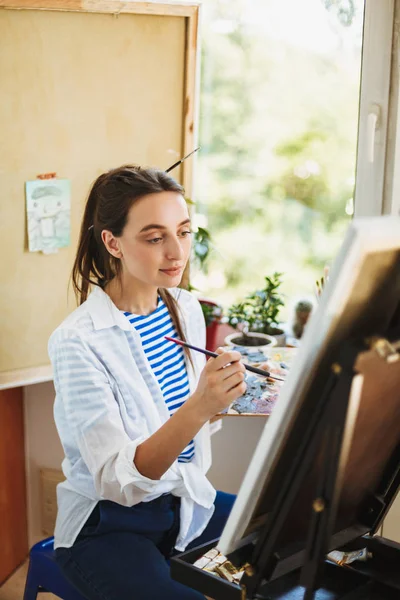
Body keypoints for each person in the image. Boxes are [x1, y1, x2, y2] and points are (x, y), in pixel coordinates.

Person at [49, 165, 247, 599]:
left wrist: (226, 397)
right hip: (109, 527)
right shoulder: (76, 341)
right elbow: (120, 484)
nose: (176, 253)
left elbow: (192, 425)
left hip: (184, 500)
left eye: (184, 231)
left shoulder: (185, 308)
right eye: (155, 238)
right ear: (112, 242)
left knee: (285, 540)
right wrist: (199, 405)